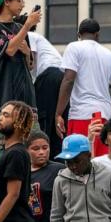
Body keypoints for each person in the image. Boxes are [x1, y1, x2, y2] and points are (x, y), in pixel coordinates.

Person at [55, 19, 111, 158]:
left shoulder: (74, 47)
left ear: (78, 34)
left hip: (81, 114)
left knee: (78, 162)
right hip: (104, 116)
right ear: (98, 35)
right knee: (101, 164)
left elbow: (68, 80)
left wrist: (58, 113)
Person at [0, 0, 40, 115]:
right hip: (2, 96)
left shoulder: (19, 27)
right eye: (18, 1)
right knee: (1, 135)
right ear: (6, 2)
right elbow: (9, 50)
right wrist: (27, 25)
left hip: (26, 97)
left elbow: (30, 66)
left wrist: (27, 52)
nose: (22, 5)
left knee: (31, 135)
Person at [0, 100, 36, 222]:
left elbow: (13, 194)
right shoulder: (8, 152)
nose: (0, 118)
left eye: (6, 115)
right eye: (1, 114)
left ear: (19, 123)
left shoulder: (16, 153)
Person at [27, 25, 66, 158]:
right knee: (57, 123)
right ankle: (56, 155)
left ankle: (49, 157)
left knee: (45, 120)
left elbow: (29, 61)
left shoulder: (29, 36)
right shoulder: (41, 41)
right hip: (59, 77)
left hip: (50, 75)